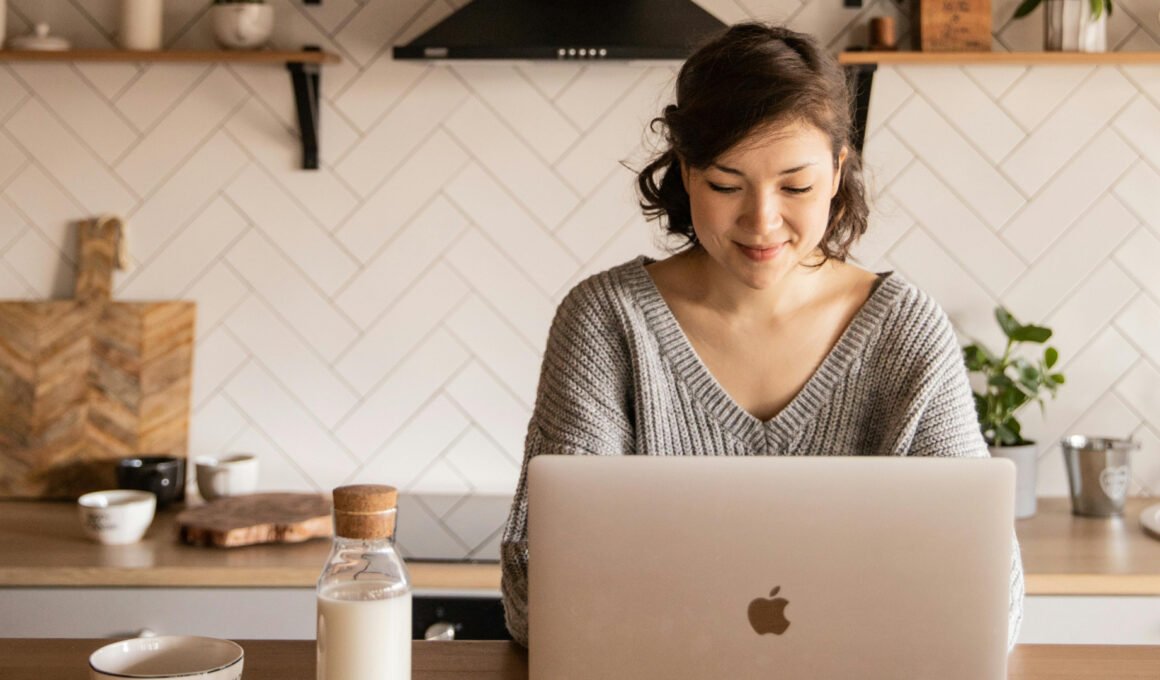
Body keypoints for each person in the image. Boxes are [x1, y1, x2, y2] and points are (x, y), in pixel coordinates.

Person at [500, 22, 1024, 651]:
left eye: (796, 186)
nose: (762, 220)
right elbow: (537, 602)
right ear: (686, 172)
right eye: (726, 185)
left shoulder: (905, 332)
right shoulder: (606, 323)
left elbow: (989, 600)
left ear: (837, 171)